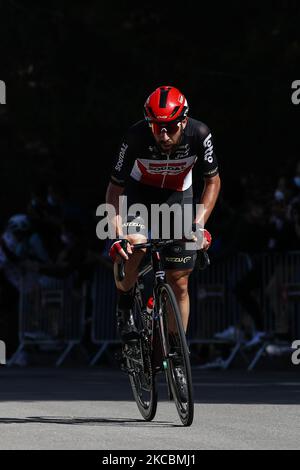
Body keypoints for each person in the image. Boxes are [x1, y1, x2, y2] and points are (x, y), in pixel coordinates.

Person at [105, 85, 221, 348]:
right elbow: (115, 189)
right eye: (157, 127)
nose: (164, 134)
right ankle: (125, 308)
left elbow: (212, 182)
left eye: (170, 126)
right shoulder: (135, 136)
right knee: (133, 245)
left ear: (184, 120)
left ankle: (177, 351)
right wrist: (118, 236)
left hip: (178, 198)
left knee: (179, 280)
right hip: (140, 197)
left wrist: (198, 226)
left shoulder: (199, 134)